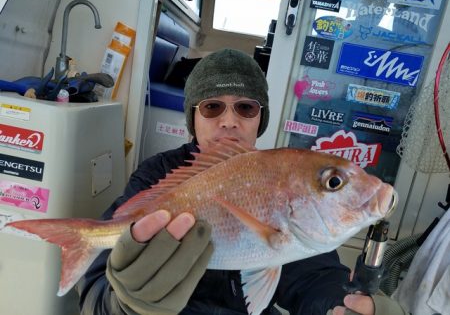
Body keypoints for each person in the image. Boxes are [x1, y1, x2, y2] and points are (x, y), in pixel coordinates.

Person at [77, 48, 406, 315]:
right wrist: (124, 305)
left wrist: (341, 304)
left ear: (260, 118)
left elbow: (314, 275)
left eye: (246, 108)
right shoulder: (157, 174)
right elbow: (96, 286)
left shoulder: (279, 175)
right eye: (212, 107)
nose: (229, 121)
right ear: (193, 116)